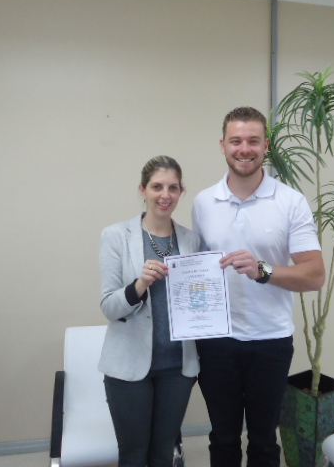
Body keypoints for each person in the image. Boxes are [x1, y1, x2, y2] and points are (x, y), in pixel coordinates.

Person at [192, 107, 326, 467]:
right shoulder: (203, 202)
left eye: (253, 141)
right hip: (216, 341)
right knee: (222, 438)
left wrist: (262, 269)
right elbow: (198, 271)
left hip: (270, 341)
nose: (244, 149)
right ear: (222, 145)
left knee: (264, 441)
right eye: (236, 141)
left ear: (266, 146)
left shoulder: (290, 201)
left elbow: (315, 275)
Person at [98, 155, 200, 467]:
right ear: (143, 190)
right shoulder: (116, 236)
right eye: (157, 186)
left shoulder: (191, 240)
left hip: (177, 368)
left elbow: (197, 301)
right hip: (129, 367)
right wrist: (140, 283)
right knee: (133, 457)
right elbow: (109, 307)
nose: (165, 195)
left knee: (162, 455)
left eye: (173, 188)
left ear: (181, 192)